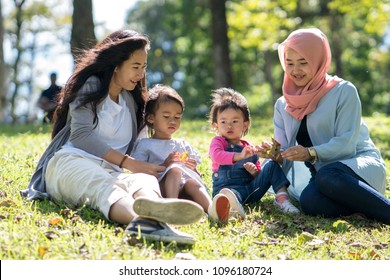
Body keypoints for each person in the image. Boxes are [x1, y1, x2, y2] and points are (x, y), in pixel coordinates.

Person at [21, 30, 205, 245]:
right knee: (105, 186)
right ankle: (143, 221)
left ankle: (158, 211)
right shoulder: (91, 85)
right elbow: (81, 134)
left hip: (112, 172)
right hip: (71, 163)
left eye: (144, 67)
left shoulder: (133, 101)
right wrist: (128, 162)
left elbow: (142, 151)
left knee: (144, 180)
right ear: (116, 64)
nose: (140, 73)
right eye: (135, 67)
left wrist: (171, 168)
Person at [259, 27, 389, 224]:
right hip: (322, 181)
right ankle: (365, 207)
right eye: (290, 63)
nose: (295, 70)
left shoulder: (343, 91)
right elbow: (285, 153)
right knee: (310, 202)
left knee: (328, 174)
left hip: (356, 168)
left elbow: (347, 144)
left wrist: (310, 153)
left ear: (318, 60)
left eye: (303, 63)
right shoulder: (283, 104)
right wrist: (275, 155)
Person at [131, 84, 225, 223]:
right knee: (174, 170)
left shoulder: (182, 144)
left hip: (182, 189)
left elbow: (195, 176)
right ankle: (172, 208)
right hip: (160, 188)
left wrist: (194, 169)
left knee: (192, 182)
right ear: (151, 118)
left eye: (177, 117)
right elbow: (138, 173)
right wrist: (165, 165)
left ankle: (213, 210)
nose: (172, 121)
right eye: (166, 116)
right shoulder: (145, 144)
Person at [208, 88, 300, 223]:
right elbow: (217, 156)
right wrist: (239, 156)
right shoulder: (218, 142)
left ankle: (281, 199)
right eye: (223, 122)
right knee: (229, 194)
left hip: (251, 191)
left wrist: (254, 172)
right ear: (216, 125)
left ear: (245, 124)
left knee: (271, 165)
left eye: (234, 121)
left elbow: (257, 175)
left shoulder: (248, 148)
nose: (229, 126)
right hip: (227, 190)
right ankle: (229, 207)